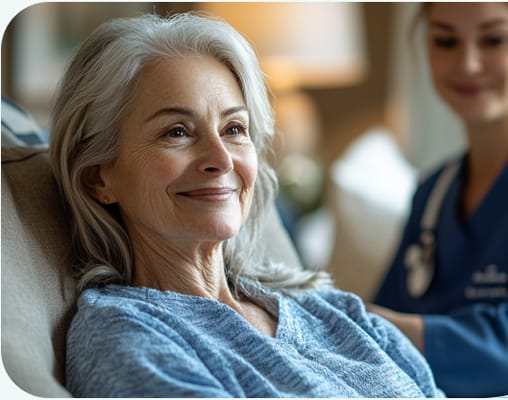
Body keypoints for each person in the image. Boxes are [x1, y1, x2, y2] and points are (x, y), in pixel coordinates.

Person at [48, 12, 444, 398]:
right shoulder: (125, 333)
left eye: (234, 129)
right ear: (98, 177)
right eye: (177, 132)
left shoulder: (336, 311)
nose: (221, 158)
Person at [371, 2, 508, 397]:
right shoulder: (434, 192)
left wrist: (346, 317)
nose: (468, 64)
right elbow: (373, 344)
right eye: (445, 41)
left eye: (494, 39)